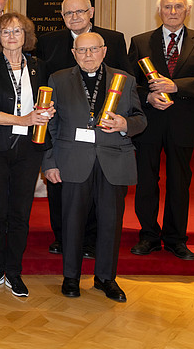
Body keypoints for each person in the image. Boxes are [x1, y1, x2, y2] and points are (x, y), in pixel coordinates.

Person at [43, 32, 146, 301]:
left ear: (104, 51)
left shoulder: (125, 79)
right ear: (74, 53)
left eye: (93, 49)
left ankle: (105, 278)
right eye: (82, 50)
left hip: (113, 159)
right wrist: (50, 162)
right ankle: (71, 277)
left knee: (111, 223)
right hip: (73, 159)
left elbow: (140, 119)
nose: (88, 55)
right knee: (72, 222)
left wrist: (125, 125)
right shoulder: (58, 79)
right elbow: (50, 125)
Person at [35, 0, 132, 256]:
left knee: (96, 192)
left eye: (79, 12)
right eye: (68, 13)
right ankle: (62, 237)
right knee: (60, 190)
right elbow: (42, 82)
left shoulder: (112, 39)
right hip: (64, 130)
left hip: (102, 133)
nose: (74, 17)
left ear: (91, 12)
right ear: (62, 17)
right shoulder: (49, 42)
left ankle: (90, 240)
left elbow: (127, 79)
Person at [128, 0, 194, 260]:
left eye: (178, 6)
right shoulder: (141, 41)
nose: (172, 11)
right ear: (160, 10)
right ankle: (148, 236)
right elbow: (130, 82)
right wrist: (149, 96)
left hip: (183, 122)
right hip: (149, 120)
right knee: (146, 181)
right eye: (167, 6)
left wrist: (175, 86)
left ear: (187, 11)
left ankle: (176, 238)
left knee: (179, 182)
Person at [0, 12, 52, 297]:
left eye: (17, 31)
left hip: (29, 149)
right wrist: (22, 120)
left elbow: (48, 103)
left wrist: (48, 112)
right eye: (5, 32)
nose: (11, 37)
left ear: (26, 36)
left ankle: (15, 271)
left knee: (20, 212)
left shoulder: (40, 67)